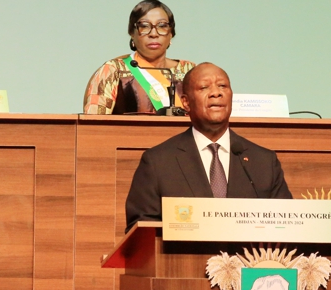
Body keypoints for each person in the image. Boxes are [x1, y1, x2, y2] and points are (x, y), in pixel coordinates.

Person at [124, 62, 292, 231]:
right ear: (186, 103)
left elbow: (287, 228)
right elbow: (142, 232)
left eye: (222, 86)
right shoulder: (158, 162)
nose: (216, 93)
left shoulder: (264, 162)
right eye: (204, 87)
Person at [83, 0, 194, 114]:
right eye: (144, 26)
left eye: (162, 26)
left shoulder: (189, 71)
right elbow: (93, 123)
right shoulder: (113, 71)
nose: (153, 34)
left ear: (171, 34)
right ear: (132, 33)